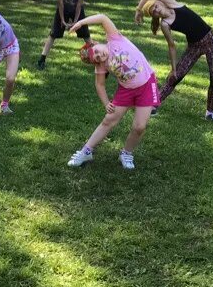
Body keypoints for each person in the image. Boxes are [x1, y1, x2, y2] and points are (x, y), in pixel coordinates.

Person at [66, 14, 159, 170]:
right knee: (108, 120)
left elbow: (103, 18)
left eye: (96, 50)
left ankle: (126, 153)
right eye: (96, 58)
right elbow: (100, 85)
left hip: (146, 84)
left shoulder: (114, 39)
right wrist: (106, 103)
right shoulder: (101, 64)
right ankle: (86, 151)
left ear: (96, 43)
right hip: (126, 90)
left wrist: (81, 23)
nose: (98, 55)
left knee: (139, 127)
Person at [135, 0, 213, 120]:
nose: (156, 10)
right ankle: (153, 105)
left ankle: (210, 112)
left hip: (211, 41)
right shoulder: (165, 24)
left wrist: (138, 10)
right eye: (153, 12)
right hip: (194, 46)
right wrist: (173, 69)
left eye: (155, 6)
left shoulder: (172, 4)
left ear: (160, 2)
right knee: (175, 77)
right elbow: (171, 46)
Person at [36, 0, 89, 70]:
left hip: (76, 10)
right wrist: (62, 19)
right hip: (63, 9)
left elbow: (79, 4)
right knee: (53, 34)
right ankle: (42, 59)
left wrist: (76, 22)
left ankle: (99, 60)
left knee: (86, 35)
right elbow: (60, 2)